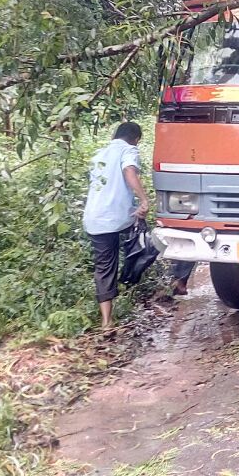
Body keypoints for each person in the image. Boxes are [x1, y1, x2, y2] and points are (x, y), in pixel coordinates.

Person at [82, 122, 151, 329]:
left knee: (104, 266)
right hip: (119, 217)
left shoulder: (99, 154)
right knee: (149, 242)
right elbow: (129, 170)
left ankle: (107, 321)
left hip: (95, 218)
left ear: (115, 135)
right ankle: (130, 278)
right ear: (136, 139)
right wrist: (144, 200)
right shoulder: (128, 150)